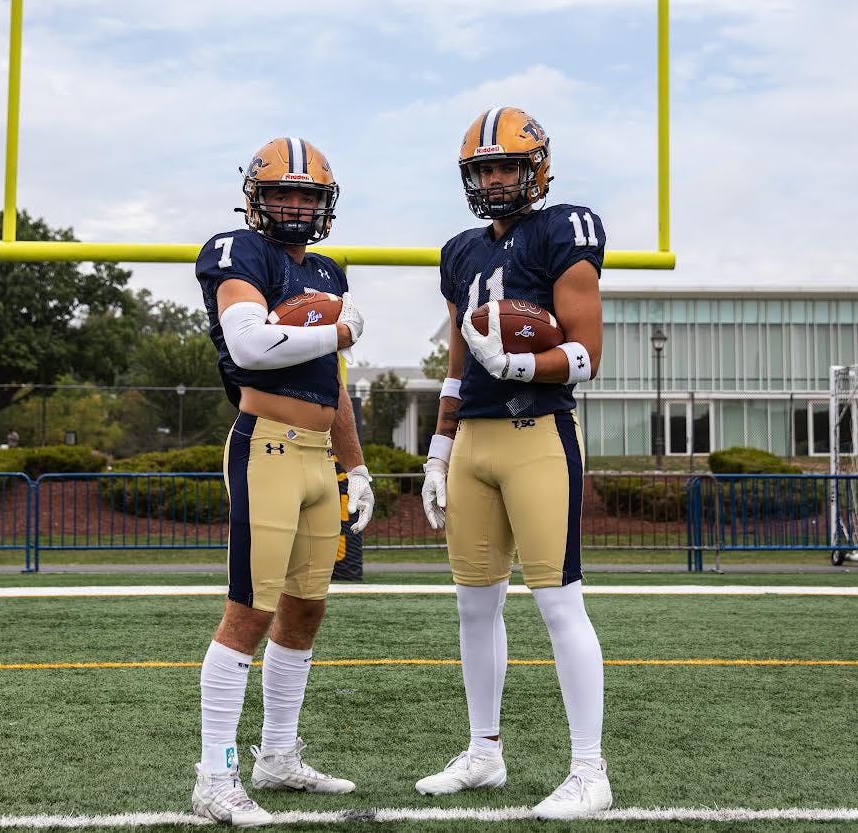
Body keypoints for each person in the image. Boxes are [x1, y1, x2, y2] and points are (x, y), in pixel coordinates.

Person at [417, 107, 611, 820]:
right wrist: (438, 447)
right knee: (474, 606)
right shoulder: (460, 251)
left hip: (536, 432)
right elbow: (457, 362)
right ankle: (483, 753)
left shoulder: (565, 228)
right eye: (483, 169)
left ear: (537, 169)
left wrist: (521, 361)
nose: (495, 180)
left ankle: (589, 771)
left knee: (558, 603)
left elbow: (587, 354)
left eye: (506, 167)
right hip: (473, 440)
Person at [190, 137, 376, 827]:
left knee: (306, 608)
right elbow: (249, 345)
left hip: (316, 454)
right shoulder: (238, 252)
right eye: (282, 193)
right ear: (255, 197)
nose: (295, 206)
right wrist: (341, 333)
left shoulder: (326, 269)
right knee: (250, 610)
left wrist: (353, 464)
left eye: (307, 195)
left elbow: (334, 384)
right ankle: (214, 776)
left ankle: (277, 756)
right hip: (264, 447)